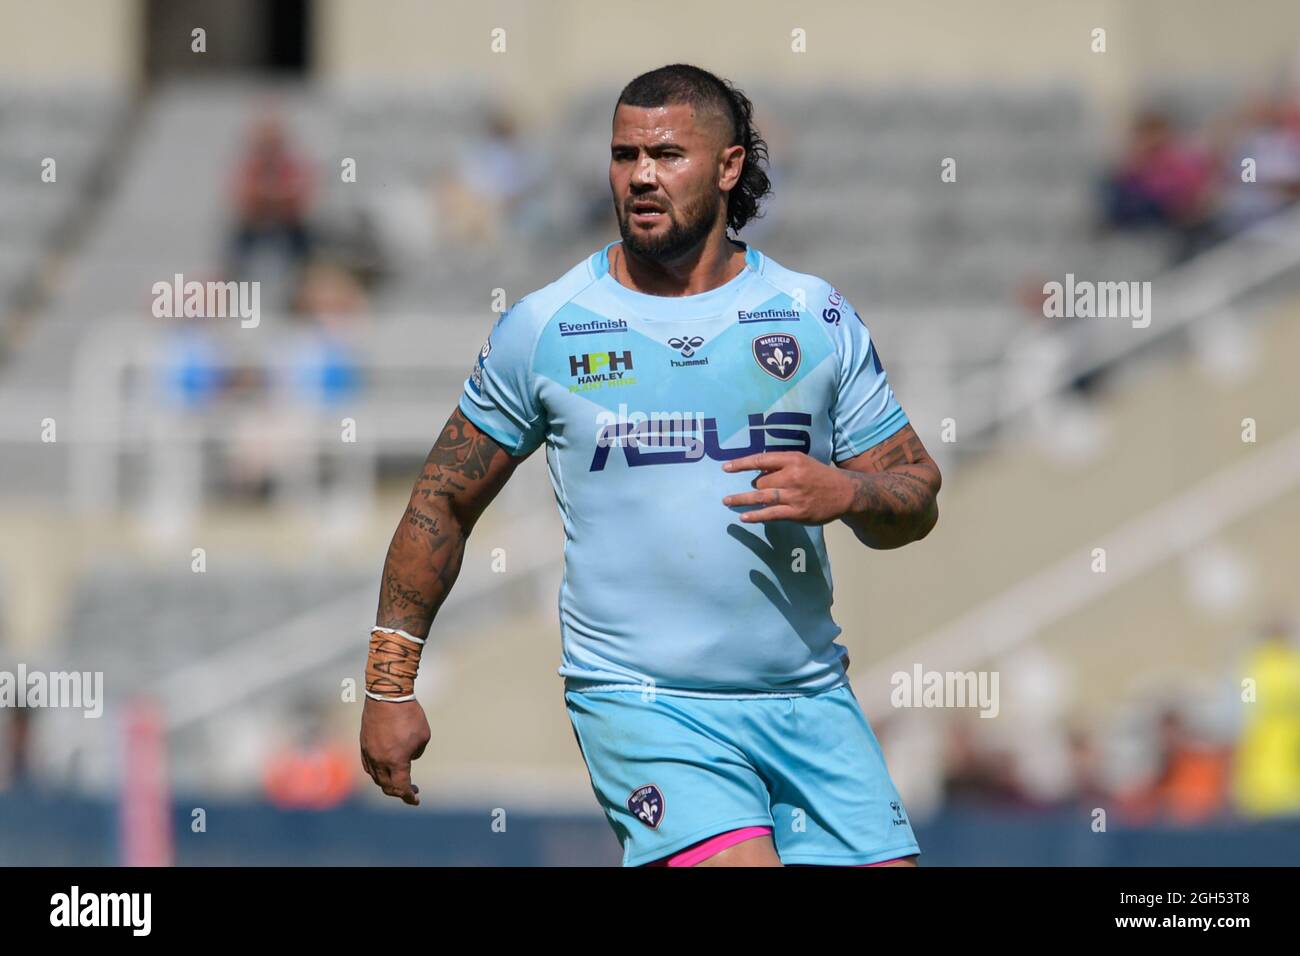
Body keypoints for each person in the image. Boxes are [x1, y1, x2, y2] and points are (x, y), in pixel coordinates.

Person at [359, 64, 941, 867]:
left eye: (666, 155)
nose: (639, 176)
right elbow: (442, 503)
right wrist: (390, 684)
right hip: (644, 704)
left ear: (728, 168)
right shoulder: (548, 328)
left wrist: (847, 491)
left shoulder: (814, 315)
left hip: (808, 698)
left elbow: (916, 499)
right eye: (623, 154)